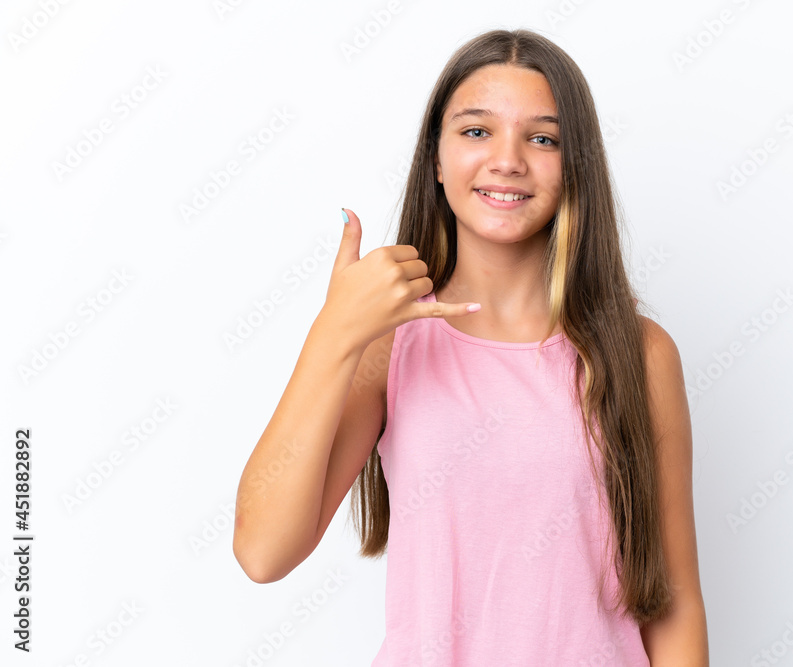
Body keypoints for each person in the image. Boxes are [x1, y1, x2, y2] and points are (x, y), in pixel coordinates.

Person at [234, 28, 708, 666]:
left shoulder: (640, 354)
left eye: (542, 138)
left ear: (577, 166)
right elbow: (263, 553)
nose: (507, 159)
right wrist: (335, 334)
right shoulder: (388, 347)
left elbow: (672, 601)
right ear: (435, 157)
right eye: (477, 131)